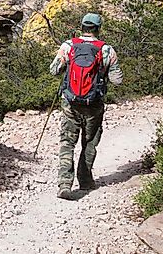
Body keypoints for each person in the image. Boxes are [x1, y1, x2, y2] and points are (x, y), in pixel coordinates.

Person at [49, 12, 122, 199]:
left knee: (67, 142)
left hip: (70, 103)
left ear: (81, 27)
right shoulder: (106, 50)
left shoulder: (69, 46)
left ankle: (64, 184)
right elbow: (117, 80)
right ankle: (85, 180)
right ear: (98, 29)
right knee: (89, 143)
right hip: (94, 104)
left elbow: (54, 70)